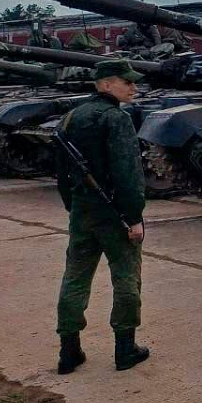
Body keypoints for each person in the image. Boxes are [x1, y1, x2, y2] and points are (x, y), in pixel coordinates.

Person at [54, 59, 151, 374]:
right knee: (126, 277)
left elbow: (61, 173)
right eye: (127, 82)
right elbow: (128, 173)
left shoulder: (71, 117)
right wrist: (134, 217)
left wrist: (72, 206)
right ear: (107, 84)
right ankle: (125, 349)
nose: (133, 87)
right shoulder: (116, 119)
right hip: (114, 214)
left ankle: (69, 352)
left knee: (75, 278)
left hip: (82, 211)